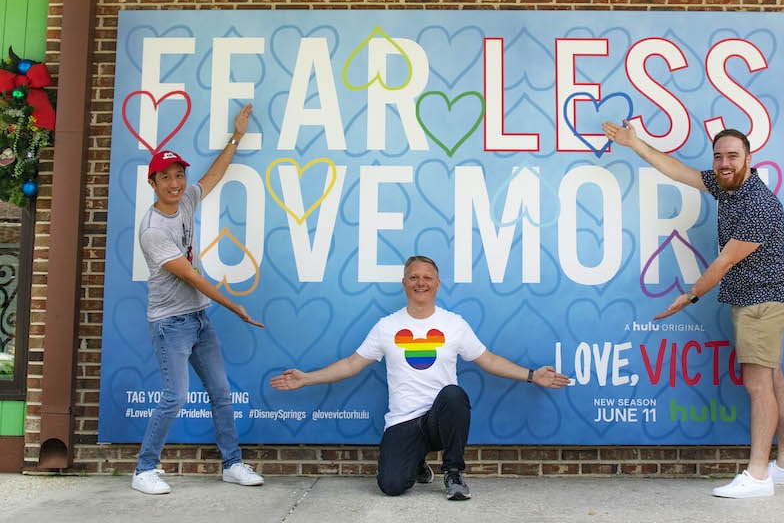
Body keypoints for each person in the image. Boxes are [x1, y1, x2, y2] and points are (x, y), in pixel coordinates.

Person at [601, 121, 784, 499]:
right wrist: (634, 143)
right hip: (757, 300)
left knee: (757, 386)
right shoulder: (729, 188)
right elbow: (680, 171)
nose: (724, 163)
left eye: (732, 156)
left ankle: (758, 476)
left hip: (762, 303)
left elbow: (725, 262)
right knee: (773, 380)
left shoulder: (757, 204)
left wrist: (689, 296)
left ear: (749, 159)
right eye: (719, 157)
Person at [270, 255, 571, 500]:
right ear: (404, 283)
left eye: (427, 277)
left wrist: (532, 376)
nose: (420, 282)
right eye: (414, 277)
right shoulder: (387, 326)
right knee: (391, 486)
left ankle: (453, 472)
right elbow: (351, 364)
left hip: (439, 417)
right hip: (403, 420)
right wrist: (306, 378)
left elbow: (488, 359)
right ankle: (415, 461)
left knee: (454, 394)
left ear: (437, 284)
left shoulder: (453, 324)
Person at [132, 103, 265, 495]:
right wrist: (235, 306)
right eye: (166, 178)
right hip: (170, 323)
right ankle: (144, 469)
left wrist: (236, 135)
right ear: (152, 183)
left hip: (199, 318)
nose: (175, 183)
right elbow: (192, 277)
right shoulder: (153, 230)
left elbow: (213, 175)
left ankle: (232, 464)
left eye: (179, 175)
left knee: (221, 392)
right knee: (176, 397)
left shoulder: (187, 199)